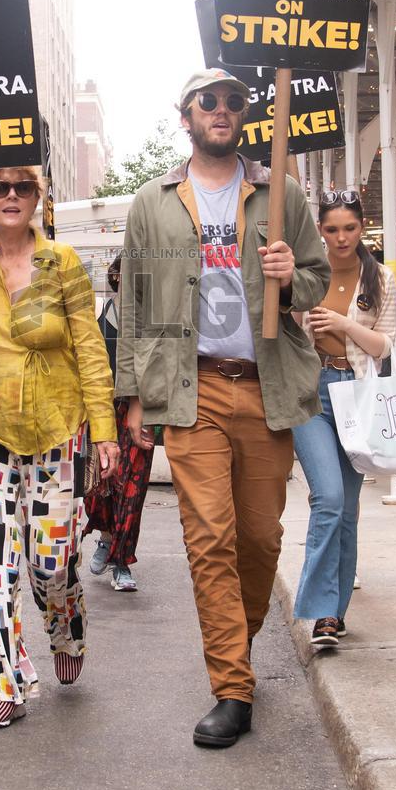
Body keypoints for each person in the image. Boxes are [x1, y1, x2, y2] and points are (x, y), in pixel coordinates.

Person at [116, 69, 330, 748]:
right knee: (209, 538)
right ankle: (233, 687)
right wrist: (130, 398)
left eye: (235, 101)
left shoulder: (280, 192)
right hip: (192, 387)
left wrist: (288, 276)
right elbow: (136, 305)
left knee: (261, 540)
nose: (222, 109)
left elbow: (319, 277)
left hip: (265, 385)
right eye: (208, 100)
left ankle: (235, 642)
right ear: (186, 116)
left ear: (246, 116)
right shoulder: (153, 201)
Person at [0, 166, 119, 728]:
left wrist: (104, 431)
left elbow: (88, 348)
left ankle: (66, 625)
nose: (11, 196)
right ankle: (7, 681)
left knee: (48, 562)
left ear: (39, 197)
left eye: (23, 187)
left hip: (54, 432)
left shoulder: (59, 264)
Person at [293, 189, 396, 647]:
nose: (341, 238)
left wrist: (344, 325)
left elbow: (385, 346)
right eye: (332, 229)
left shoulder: (380, 278)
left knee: (348, 509)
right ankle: (318, 608)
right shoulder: (305, 273)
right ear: (320, 230)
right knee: (329, 498)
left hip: (357, 395)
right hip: (309, 393)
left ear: (362, 227)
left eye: (350, 228)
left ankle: (333, 616)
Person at [84, 255, 155, 591]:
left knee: (132, 488)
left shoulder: (153, 321)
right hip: (101, 410)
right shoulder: (97, 316)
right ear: (114, 276)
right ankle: (107, 536)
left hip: (139, 409)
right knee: (101, 488)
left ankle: (122, 561)